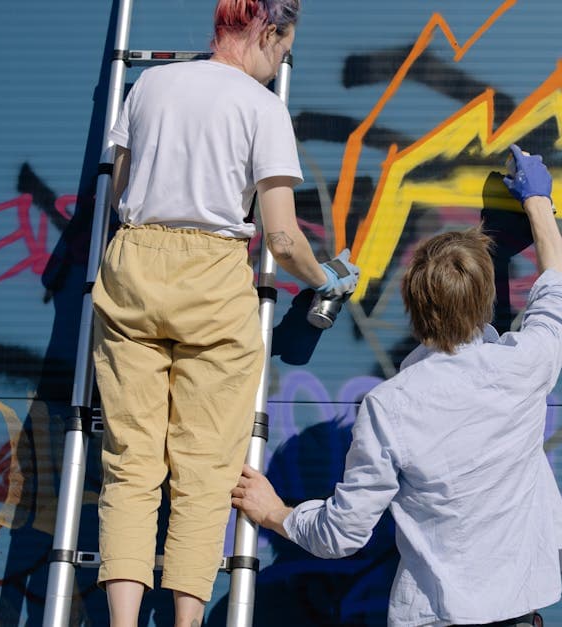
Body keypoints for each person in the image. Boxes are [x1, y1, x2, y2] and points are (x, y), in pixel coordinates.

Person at [232, 144, 562, 627]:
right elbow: (558, 295)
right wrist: (538, 201)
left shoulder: (389, 405)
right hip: (520, 614)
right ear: (484, 304)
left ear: (412, 311)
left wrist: (276, 514)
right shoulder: (524, 366)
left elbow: (343, 533)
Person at [91, 1, 358, 625]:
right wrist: (328, 279)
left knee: (130, 464)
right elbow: (284, 239)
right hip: (212, 274)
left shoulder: (151, 83)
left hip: (133, 260)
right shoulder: (262, 108)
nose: (283, 60)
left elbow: (120, 190)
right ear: (267, 31)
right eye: (284, 47)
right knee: (205, 469)